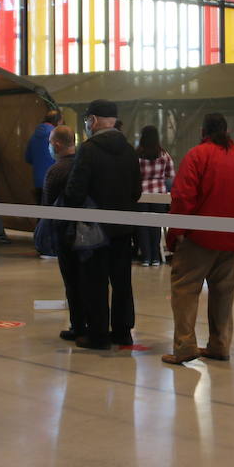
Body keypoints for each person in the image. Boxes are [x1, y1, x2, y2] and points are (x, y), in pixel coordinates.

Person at [161, 114, 234, 366]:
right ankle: (220, 344)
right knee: (223, 292)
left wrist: (175, 233)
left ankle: (185, 347)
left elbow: (183, 197)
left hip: (199, 237)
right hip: (231, 239)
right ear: (226, 131)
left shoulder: (197, 155)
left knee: (185, 290)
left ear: (202, 130)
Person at [63, 99, 141, 349]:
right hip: (123, 228)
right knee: (122, 282)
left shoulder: (88, 149)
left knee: (94, 281)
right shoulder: (129, 149)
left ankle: (97, 334)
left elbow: (75, 192)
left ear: (93, 120)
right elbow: (137, 191)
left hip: (94, 230)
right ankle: (123, 332)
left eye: (87, 120)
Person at [42, 125, 84, 341]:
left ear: (57, 144)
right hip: (87, 233)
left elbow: (47, 204)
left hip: (64, 234)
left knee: (72, 281)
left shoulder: (55, 171)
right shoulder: (83, 166)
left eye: (50, 142)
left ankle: (77, 325)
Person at [135, 125, 175, 267]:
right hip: (159, 194)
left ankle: (145, 258)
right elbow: (171, 174)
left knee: (142, 227)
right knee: (155, 226)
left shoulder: (137, 155)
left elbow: (131, 174)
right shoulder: (164, 154)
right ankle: (156, 257)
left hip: (141, 194)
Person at [25, 110, 60, 202]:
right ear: (59, 121)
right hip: (54, 180)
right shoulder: (56, 135)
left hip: (38, 182)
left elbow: (28, 158)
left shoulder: (33, 136)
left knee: (41, 213)